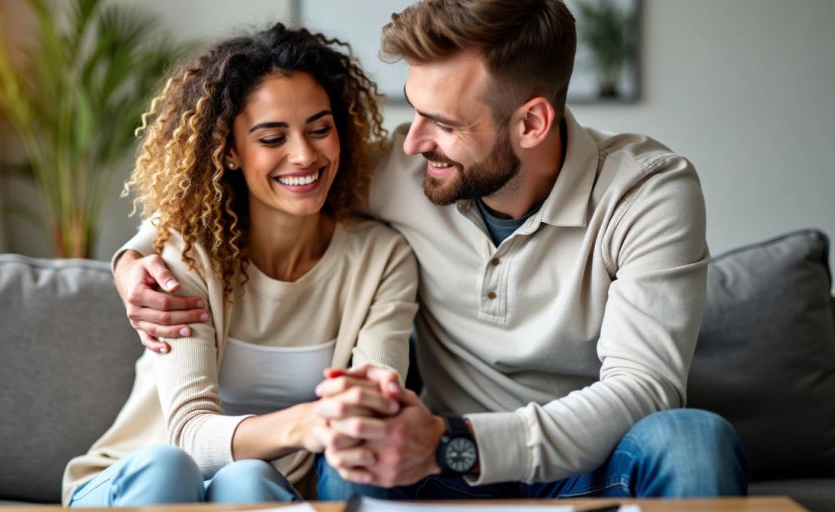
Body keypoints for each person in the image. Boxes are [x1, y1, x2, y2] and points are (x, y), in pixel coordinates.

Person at [114, 0, 750, 502]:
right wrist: (133, 259)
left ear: (531, 123)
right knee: (352, 464)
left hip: (575, 461)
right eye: (413, 112)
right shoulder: (407, 171)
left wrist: (460, 443)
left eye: (443, 123)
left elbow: (644, 387)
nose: (413, 142)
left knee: (693, 440)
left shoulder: (648, 191)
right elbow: (262, 184)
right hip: (437, 470)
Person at [61, 23, 419, 507]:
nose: (304, 155)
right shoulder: (185, 256)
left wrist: (364, 411)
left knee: (247, 478)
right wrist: (310, 422)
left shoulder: (381, 260)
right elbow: (188, 434)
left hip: (263, 490)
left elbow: (378, 401)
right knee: (170, 468)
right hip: (136, 477)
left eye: (320, 128)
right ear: (229, 150)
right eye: (272, 138)